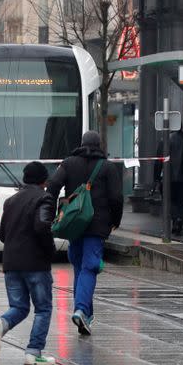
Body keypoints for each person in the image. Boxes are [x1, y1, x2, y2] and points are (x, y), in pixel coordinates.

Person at [48, 130, 123, 336]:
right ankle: (81, 309)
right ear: (100, 145)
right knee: (90, 267)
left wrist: (53, 213)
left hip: (74, 225)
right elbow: (116, 197)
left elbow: (53, 185)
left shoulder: (69, 163)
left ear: (81, 143)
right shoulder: (107, 167)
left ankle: (85, 315)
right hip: (97, 226)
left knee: (80, 268)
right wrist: (115, 220)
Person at [0, 161, 57, 365]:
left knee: (19, 307)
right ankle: (33, 352)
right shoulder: (45, 199)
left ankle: (1, 323)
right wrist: (50, 249)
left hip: (11, 262)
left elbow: (2, 235)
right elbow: (42, 226)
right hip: (35, 263)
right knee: (43, 309)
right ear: (44, 180)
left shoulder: (10, 201)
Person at [153, 128, 183, 235]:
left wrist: (157, 178)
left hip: (168, 178)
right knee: (182, 201)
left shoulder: (165, 140)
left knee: (169, 200)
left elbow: (159, 161)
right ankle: (180, 220)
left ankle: (175, 219)